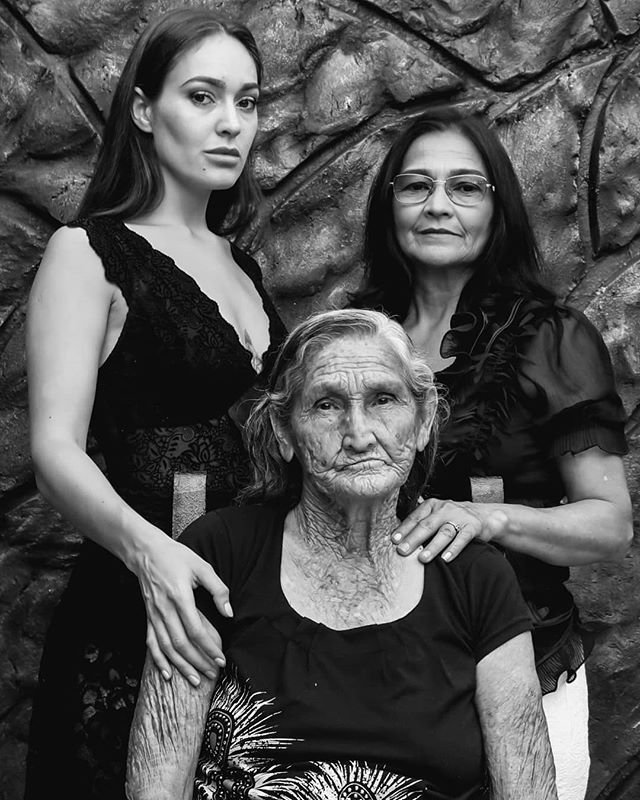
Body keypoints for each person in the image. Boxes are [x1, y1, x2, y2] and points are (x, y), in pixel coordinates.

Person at [126, 308, 558, 800]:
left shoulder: (475, 577)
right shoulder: (219, 553)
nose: (358, 434)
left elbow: (527, 791)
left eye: (384, 400)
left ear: (420, 424)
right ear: (285, 432)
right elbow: (157, 786)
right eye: (327, 405)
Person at [25, 9, 286, 799]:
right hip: (133, 608)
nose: (230, 124)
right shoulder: (89, 252)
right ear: (143, 109)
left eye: (246, 102)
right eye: (203, 97)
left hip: (241, 604)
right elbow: (54, 452)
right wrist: (151, 554)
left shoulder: (243, 266)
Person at [349, 107, 633, 800]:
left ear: (496, 206)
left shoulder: (551, 338)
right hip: (374, 678)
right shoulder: (356, 338)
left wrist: (489, 519)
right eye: (415, 186)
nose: (438, 204)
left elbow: (610, 524)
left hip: (525, 667)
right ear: (389, 206)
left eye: (465, 187)